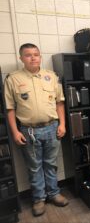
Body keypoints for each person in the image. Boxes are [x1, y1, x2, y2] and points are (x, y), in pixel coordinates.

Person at [4, 43, 69, 217]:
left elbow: (59, 103)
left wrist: (62, 124)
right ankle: (39, 199)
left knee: (51, 164)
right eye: (28, 55)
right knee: (34, 168)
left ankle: (54, 194)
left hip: (52, 128)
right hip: (28, 131)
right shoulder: (13, 79)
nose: (33, 58)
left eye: (36, 54)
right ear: (21, 58)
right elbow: (10, 109)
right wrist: (15, 132)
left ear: (40, 56)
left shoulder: (51, 76)